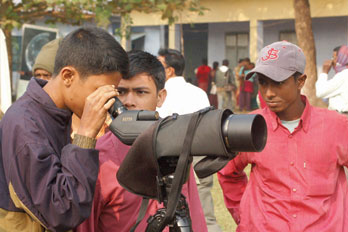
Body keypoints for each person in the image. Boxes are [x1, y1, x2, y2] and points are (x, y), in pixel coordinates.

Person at [0, 27, 129, 232]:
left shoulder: (57, 114)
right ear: (68, 76)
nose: (105, 101)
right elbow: (62, 211)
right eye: (98, 91)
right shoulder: (25, 125)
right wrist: (85, 135)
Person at [218, 41, 348, 231]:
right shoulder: (248, 126)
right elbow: (228, 173)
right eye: (262, 83)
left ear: (300, 81)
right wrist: (245, 215)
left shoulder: (337, 126)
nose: (269, 93)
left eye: (278, 83)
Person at [75, 50, 207, 232]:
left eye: (140, 92)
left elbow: (194, 215)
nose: (129, 101)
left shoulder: (175, 147)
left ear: (160, 97)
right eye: (121, 92)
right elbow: (85, 226)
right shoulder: (99, 156)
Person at [157, 49, 221, 232]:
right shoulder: (198, 93)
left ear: (169, 70)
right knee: (205, 214)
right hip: (200, 157)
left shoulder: (162, 94)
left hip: (172, 162)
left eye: (158, 64)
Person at [316, 45, 348, 115]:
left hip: (342, 116)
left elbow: (320, 92)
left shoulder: (343, 75)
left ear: (341, 58)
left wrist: (324, 72)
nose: (332, 61)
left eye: (334, 58)